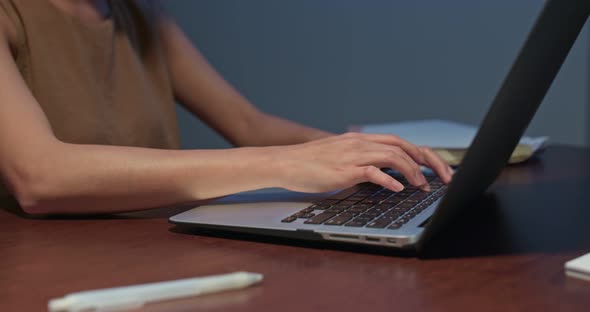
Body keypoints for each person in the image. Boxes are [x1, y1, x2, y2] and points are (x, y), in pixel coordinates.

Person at [0, 0, 453, 215]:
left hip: (152, 249)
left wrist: (363, 156)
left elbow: (248, 124)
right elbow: (40, 177)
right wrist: (284, 163)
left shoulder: (139, 13)